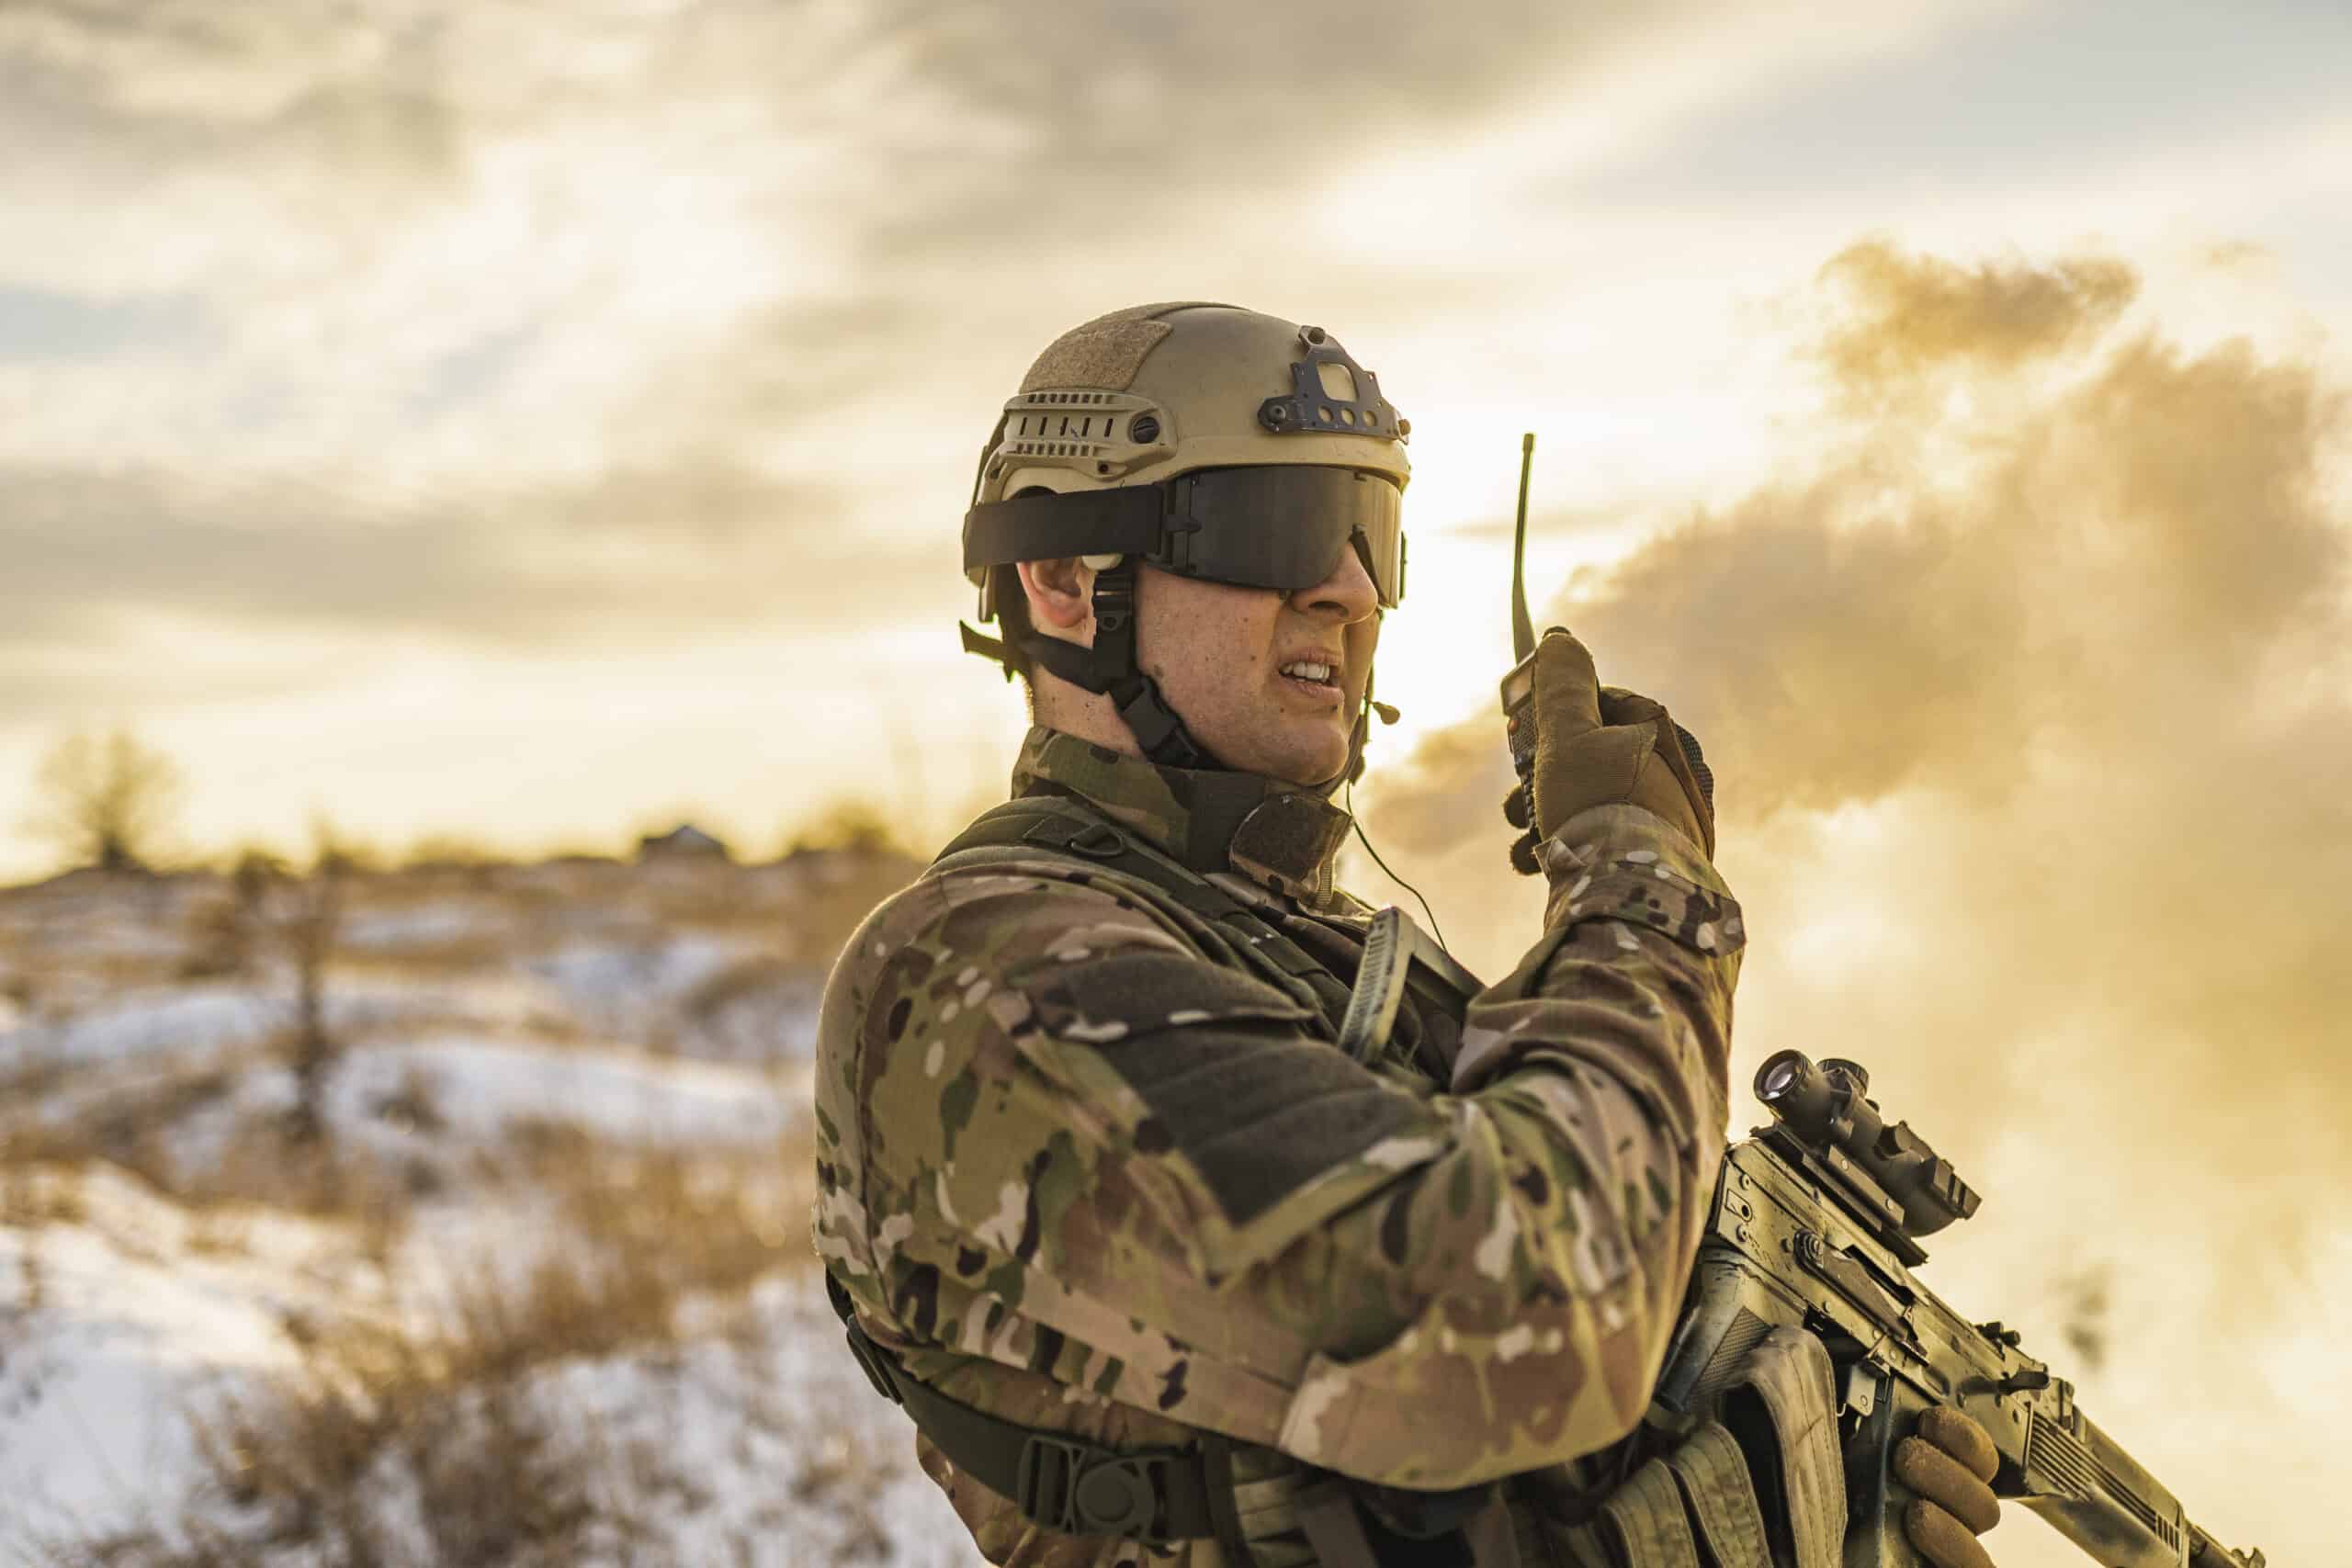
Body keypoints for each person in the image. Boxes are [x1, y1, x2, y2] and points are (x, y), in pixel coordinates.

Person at [811, 303, 2004, 1568]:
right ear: (1061, 582)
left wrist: (1802, 1467)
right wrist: (1642, 878)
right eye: (1273, 529)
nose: (1347, 589)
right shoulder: (979, 974)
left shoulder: (1290, 947)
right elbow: (1532, 1320)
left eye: (1370, 532)